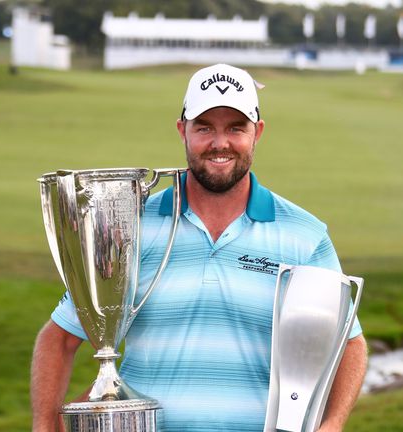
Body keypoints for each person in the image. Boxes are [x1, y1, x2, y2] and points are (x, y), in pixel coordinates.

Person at [31, 63, 367, 432]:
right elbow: (59, 338)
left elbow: (348, 344)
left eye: (235, 128)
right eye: (204, 127)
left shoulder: (304, 234)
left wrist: (332, 424)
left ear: (258, 133)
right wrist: (46, 425)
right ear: (182, 131)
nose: (219, 143)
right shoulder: (131, 226)